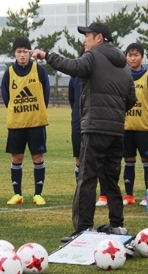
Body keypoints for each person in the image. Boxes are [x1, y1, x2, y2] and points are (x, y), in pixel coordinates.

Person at [32, 22, 135, 241]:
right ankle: (117, 225)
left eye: (86, 35)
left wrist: (47, 55)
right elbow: (131, 99)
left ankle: (83, 229)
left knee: (87, 178)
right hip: (116, 131)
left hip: (95, 127)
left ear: (98, 38)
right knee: (110, 179)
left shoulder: (93, 56)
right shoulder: (124, 65)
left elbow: (73, 67)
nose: (83, 40)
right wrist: (114, 114)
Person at [1, 36, 50, 206]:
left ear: (30, 52)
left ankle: (38, 194)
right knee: (17, 158)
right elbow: (7, 98)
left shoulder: (39, 70)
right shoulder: (9, 72)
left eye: (25, 51)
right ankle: (17, 194)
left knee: (38, 157)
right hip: (17, 123)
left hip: (36, 122)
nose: (22, 55)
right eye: (19, 51)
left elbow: (46, 94)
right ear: (14, 53)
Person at [117, 42, 148, 206]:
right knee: (128, 160)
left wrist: (147, 114)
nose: (132, 58)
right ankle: (129, 195)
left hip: (144, 127)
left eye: (136, 55)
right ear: (126, 57)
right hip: (126, 127)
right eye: (130, 55)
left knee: (147, 160)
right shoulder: (122, 75)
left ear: (142, 57)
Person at [68, 75, 83, 183]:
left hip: (95, 123)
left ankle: (102, 194)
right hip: (78, 123)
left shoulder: (98, 75)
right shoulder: (74, 78)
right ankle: (80, 189)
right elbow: (72, 99)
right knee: (79, 156)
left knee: (97, 158)